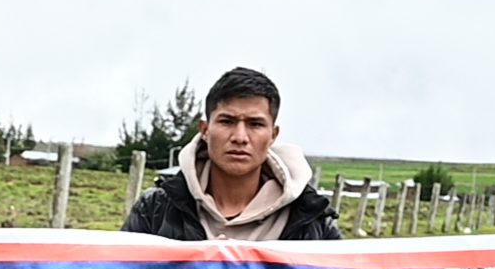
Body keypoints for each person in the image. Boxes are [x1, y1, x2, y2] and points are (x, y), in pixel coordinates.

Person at [122, 67, 342, 242]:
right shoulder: (156, 210)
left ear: (273, 135)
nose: (240, 137)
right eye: (227, 121)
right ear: (205, 130)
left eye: (255, 124)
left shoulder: (312, 219)